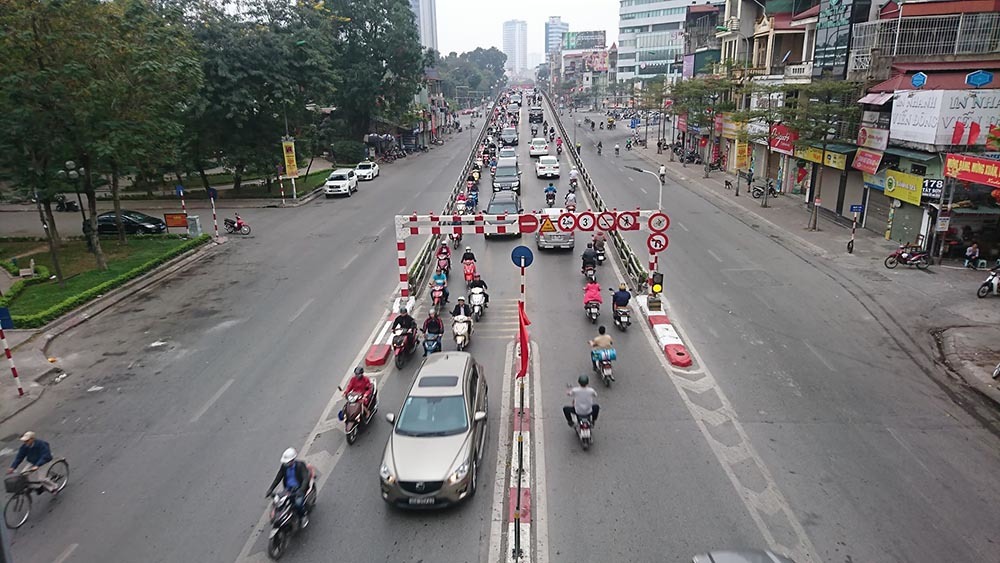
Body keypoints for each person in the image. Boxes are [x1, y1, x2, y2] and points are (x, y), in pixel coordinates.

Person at [266, 448, 312, 528]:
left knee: (298, 504)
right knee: (278, 502)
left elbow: (305, 479)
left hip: (298, 489)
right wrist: (271, 489)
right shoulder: (284, 467)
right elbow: (278, 477)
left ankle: (303, 516)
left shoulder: (300, 465)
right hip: (288, 489)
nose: (286, 464)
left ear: (292, 460)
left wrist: (301, 490)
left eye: (287, 462)